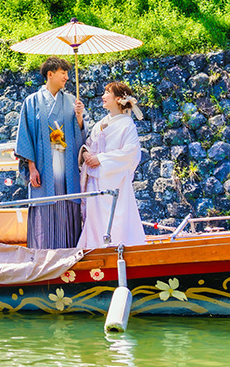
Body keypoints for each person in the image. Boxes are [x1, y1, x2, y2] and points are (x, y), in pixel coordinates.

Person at [15, 56, 87, 249]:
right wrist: (32, 168)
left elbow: (81, 136)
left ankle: (69, 251)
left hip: (66, 163)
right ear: (50, 74)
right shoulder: (31, 102)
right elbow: (25, 136)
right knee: (45, 206)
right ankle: (44, 253)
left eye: (67, 73)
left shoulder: (71, 101)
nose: (66, 77)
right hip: (43, 163)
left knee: (66, 204)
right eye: (63, 73)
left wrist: (79, 116)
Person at [76, 82, 147, 250]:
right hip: (95, 178)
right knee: (94, 219)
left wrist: (101, 159)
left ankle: (118, 249)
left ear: (118, 99)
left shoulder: (127, 124)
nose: (103, 96)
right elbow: (89, 144)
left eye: (107, 92)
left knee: (116, 219)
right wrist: (86, 153)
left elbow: (130, 152)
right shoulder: (101, 123)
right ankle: (94, 248)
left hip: (114, 180)